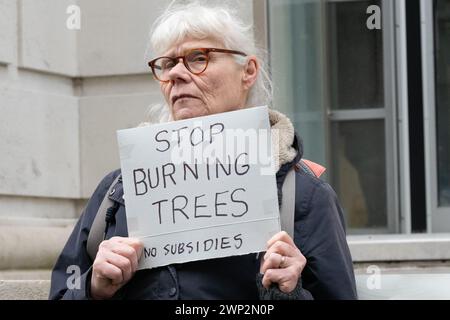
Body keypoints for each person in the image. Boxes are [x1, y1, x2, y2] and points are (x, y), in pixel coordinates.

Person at [49, 1, 357, 300]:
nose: (176, 74)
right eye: (167, 63)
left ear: (248, 71)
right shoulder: (117, 192)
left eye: (198, 58)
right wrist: (94, 288)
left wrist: (291, 293)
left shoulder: (302, 195)